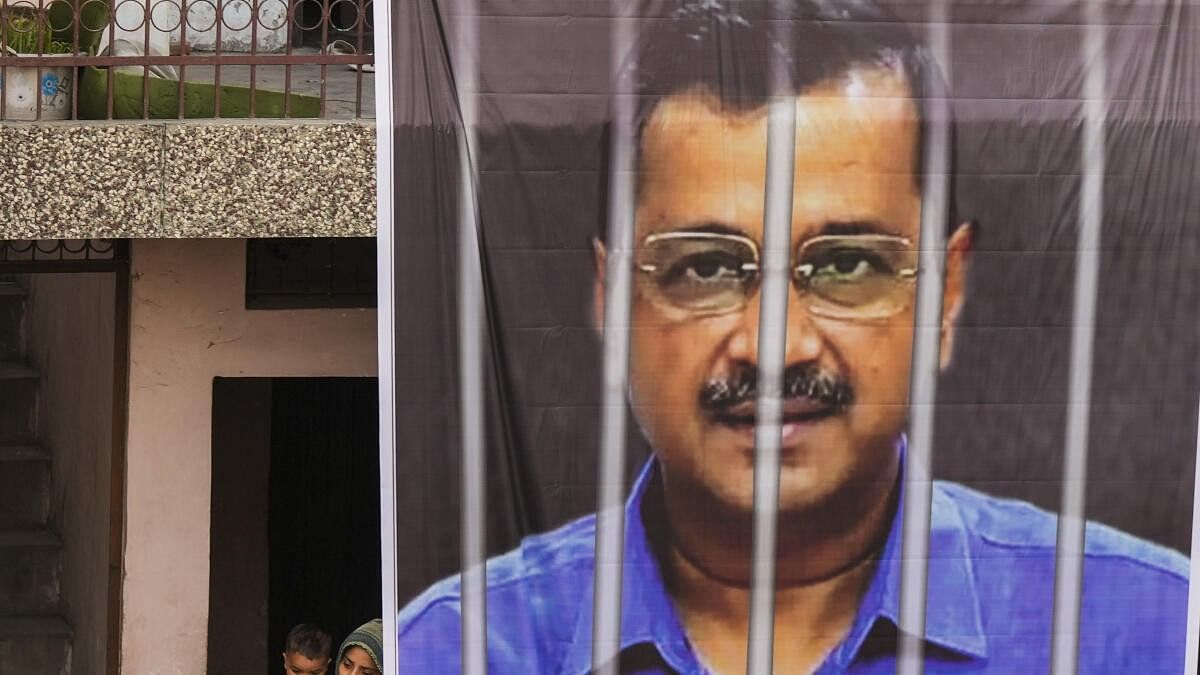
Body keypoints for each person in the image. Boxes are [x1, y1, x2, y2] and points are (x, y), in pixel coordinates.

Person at [397, 1, 1190, 672]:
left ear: (947, 293)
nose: (774, 347)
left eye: (846, 263)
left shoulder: (1148, 633)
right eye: (705, 266)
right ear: (612, 302)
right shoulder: (452, 649)